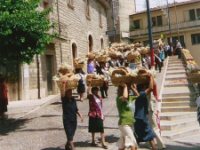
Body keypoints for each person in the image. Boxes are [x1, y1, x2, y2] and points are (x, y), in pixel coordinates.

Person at [133, 74, 157, 150]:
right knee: (150, 135)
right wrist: (150, 78)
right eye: (144, 87)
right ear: (142, 88)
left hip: (137, 118)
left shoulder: (138, 94)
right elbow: (150, 88)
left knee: (138, 137)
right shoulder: (141, 94)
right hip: (142, 118)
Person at [61, 82, 84, 150]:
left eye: (71, 92)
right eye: (69, 92)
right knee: (69, 133)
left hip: (74, 119)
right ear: (66, 93)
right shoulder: (64, 100)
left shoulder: (73, 100)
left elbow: (76, 109)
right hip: (67, 119)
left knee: (72, 133)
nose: (70, 93)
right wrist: (64, 84)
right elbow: (62, 93)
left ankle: (67, 145)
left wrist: (80, 115)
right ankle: (73, 148)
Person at [116, 83, 138, 150]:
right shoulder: (119, 99)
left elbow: (137, 95)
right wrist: (125, 86)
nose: (128, 91)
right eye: (127, 90)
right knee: (133, 143)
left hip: (130, 123)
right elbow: (124, 97)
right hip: (124, 124)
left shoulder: (130, 98)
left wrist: (133, 88)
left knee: (123, 144)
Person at [87, 81, 108, 149]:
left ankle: (103, 142)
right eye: (95, 90)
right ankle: (93, 140)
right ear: (93, 91)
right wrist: (90, 85)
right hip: (93, 114)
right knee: (93, 128)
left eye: (97, 90)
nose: (97, 92)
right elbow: (87, 92)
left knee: (101, 128)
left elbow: (101, 107)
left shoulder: (99, 97)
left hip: (99, 114)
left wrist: (103, 114)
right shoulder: (91, 97)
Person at [147, 79, 166, 150]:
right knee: (151, 127)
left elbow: (152, 86)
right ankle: (149, 143)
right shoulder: (150, 86)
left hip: (150, 109)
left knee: (154, 127)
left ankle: (160, 144)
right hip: (150, 109)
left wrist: (151, 77)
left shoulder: (149, 87)